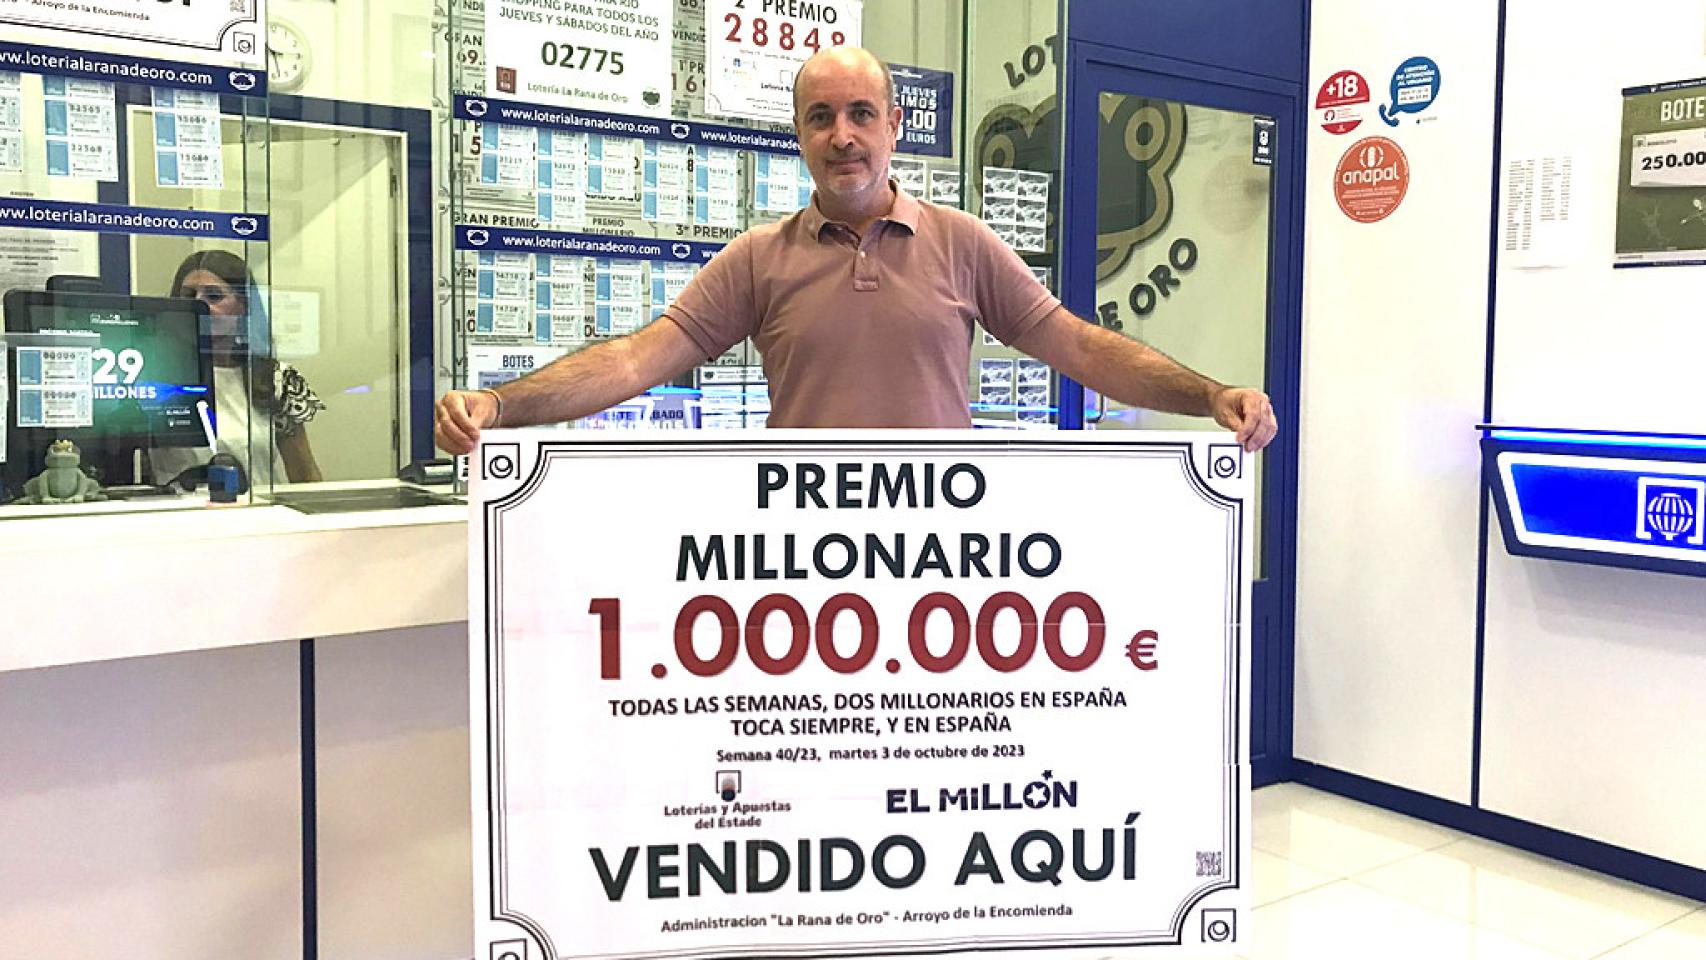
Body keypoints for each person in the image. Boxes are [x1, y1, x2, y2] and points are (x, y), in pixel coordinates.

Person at [435, 47, 1278, 454]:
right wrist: (501, 407)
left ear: (893, 127)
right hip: (800, 558)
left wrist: (1211, 396)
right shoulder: (758, 259)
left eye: (861, 114)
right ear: (798, 137)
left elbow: (1083, 349)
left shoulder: (963, 244)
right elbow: (632, 362)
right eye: (820, 118)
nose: (843, 137)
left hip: (939, 555)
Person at [150, 250, 326, 486]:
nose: (200, 306)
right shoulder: (155, 377)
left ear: (243, 305)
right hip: (183, 518)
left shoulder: (275, 379)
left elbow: (305, 476)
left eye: (214, 296)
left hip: (263, 517)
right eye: (189, 296)